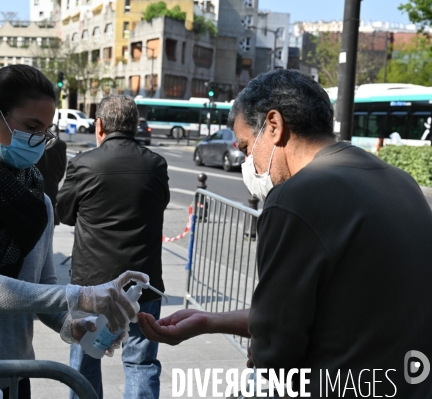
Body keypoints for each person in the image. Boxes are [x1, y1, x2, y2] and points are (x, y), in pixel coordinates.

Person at [138, 69, 432, 397]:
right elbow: (316, 312)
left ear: (274, 126)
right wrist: (209, 321)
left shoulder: (296, 197)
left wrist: (263, 350)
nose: (248, 162)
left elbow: (277, 348)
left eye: (247, 147)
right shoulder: (401, 182)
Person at [0, 65, 144, 398]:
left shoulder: (38, 202)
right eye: (31, 126)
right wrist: (83, 296)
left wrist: (71, 325)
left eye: (46, 131)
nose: (38, 140)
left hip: (12, 374)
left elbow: (42, 283)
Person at [57, 95, 170, 399]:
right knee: (141, 363)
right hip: (141, 285)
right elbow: (161, 204)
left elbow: (63, 213)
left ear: (100, 126)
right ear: (134, 125)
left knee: (84, 360)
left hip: (91, 285)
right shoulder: (156, 164)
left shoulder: (83, 164)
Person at [36, 138, 67, 225]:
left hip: (31, 195)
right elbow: (62, 171)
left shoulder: (30, 140)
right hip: (51, 193)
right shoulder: (60, 144)